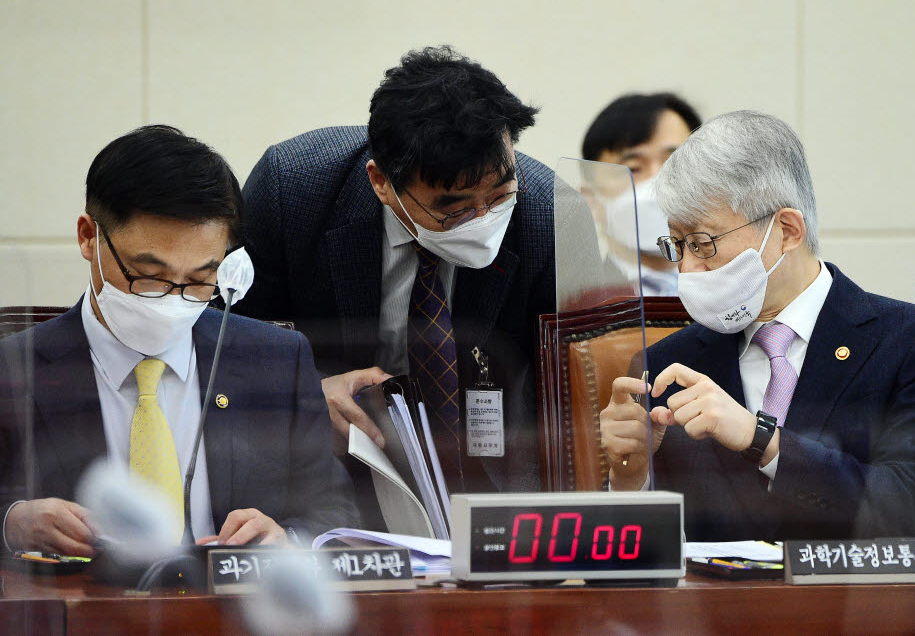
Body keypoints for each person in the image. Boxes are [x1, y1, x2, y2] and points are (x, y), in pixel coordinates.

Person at [600, 110, 915, 540]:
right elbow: (631, 559)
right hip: (712, 605)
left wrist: (763, 441)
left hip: (852, 603)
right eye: (677, 245)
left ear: (788, 231)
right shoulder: (665, 363)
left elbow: (911, 508)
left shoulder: (913, 341)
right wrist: (630, 477)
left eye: (702, 243)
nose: (689, 268)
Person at [0, 126, 358, 556]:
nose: (172, 298)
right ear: (88, 237)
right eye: (148, 275)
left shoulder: (276, 361)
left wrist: (287, 538)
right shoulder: (14, 369)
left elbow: (335, 513)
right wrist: (11, 522)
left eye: (200, 279)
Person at [235, 46, 556, 495]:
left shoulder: (545, 214)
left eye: (500, 195)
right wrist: (305, 394)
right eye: (455, 209)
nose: (483, 218)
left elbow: (562, 393)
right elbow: (229, 343)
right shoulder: (292, 191)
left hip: (482, 469)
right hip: (323, 464)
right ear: (381, 182)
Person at [582, 93, 702, 296]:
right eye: (634, 168)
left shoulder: (742, 295)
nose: (658, 182)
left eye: (675, 164)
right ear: (591, 199)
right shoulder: (577, 308)